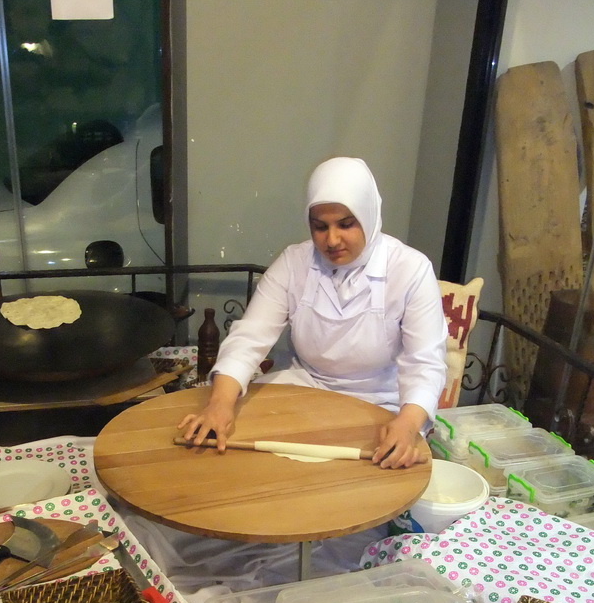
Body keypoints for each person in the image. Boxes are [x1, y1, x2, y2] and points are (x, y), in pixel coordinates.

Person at [178, 157, 447, 469]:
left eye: (346, 224)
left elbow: (425, 362)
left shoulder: (410, 269)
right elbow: (250, 336)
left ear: (369, 215)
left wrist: (408, 424)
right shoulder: (295, 263)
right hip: (305, 388)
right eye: (320, 227)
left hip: (383, 402)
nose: (331, 240)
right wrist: (219, 404)